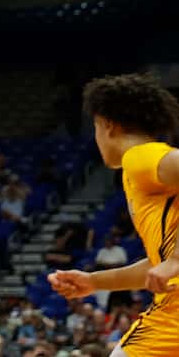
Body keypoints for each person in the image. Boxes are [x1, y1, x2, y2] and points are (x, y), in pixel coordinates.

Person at [47, 72, 179, 354]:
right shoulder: (146, 174)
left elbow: (171, 264)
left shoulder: (140, 158)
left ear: (107, 125)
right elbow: (159, 264)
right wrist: (94, 281)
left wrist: (175, 260)